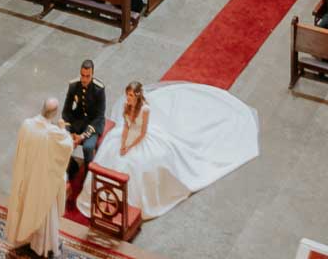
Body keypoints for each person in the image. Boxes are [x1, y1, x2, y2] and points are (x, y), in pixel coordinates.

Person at [79, 80, 258, 219]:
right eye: (128, 96)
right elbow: (126, 126)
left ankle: (135, 202)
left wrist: (130, 146)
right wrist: (123, 143)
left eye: (131, 96)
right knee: (111, 153)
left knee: (137, 164)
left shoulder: (145, 109)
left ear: (138, 96)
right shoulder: (127, 107)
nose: (128, 99)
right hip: (125, 138)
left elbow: (141, 132)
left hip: (141, 139)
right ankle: (106, 198)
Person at [5, 97, 74, 256]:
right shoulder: (52, 133)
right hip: (43, 181)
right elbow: (67, 146)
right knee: (43, 212)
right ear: (55, 113)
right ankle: (44, 246)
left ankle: (27, 240)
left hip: (28, 179)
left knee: (27, 208)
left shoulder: (27, 125)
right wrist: (63, 128)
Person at [63, 61, 106, 180]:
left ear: (92, 75)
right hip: (78, 121)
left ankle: (87, 177)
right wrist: (69, 132)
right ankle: (70, 168)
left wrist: (81, 137)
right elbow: (66, 112)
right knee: (63, 140)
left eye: (88, 76)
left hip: (93, 124)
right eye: (82, 75)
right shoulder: (73, 85)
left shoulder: (99, 89)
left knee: (88, 147)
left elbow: (99, 115)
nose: (84, 79)